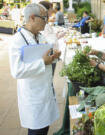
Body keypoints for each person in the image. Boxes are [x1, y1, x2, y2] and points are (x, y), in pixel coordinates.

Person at [9, 3, 61, 135]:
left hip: (45, 92)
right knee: (36, 131)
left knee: (44, 128)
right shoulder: (17, 40)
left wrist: (53, 56)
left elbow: (45, 57)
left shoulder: (40, 36)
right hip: (33, 96)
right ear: (32, 17)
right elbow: (17, 70)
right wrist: (43, 62)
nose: (47, 22)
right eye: (44, 18)